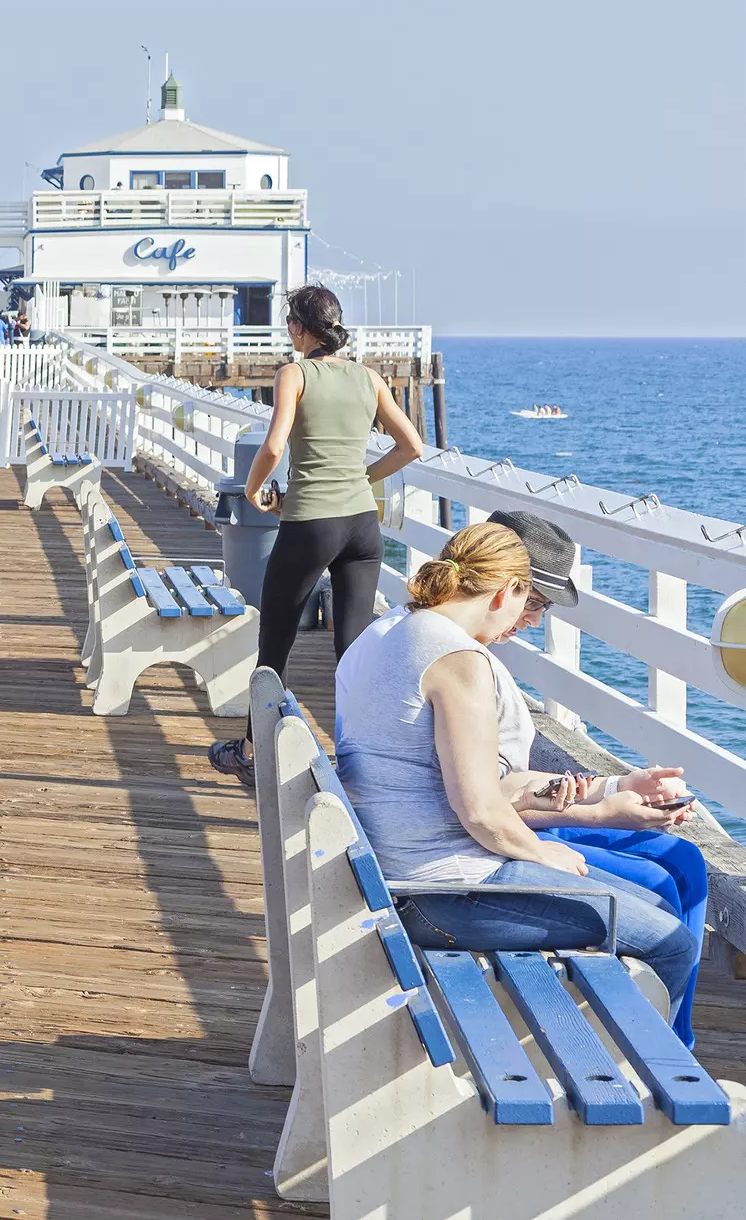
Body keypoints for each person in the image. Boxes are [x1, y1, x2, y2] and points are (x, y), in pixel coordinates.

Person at [336, 511, 711, 1045]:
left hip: (408, 877)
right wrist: (543, 853)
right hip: (442, 892)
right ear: (508, 587)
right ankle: (661, 1085)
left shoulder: (398, 635)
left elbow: (473, 787)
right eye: (531, 600)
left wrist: (604, 795)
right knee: (671, 939)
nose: (530, 616)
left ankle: (638, 1066)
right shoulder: (459, 659)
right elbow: (482, 812)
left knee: (649, 905)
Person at [210, 285, 424, 784]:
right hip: (361, 526)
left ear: (300, 329)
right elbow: (411, 445)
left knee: (275, 642)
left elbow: (273, 444)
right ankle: (362, 765)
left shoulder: (295, 373)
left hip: (310, 523)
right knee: (352, 651)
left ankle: (250, 752)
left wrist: (253, 491)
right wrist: (361, 478)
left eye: (290, 323)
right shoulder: (369, 378)